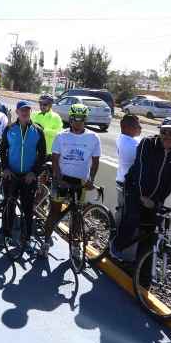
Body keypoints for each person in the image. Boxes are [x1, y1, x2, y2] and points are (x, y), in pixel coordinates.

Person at [111, 118, 171, 262]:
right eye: (164, 132)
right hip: (135, 189)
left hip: (157, 198)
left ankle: (143, 266)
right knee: (132, 219)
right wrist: (142, 197)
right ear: (159, 132)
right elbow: (140, 171)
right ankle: (116, 247)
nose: (168, 136)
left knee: (152, 229)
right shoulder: (148, 143)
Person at [41, 104, 101, 256]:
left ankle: (75, 245)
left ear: (85, 120)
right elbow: (55, 160)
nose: (77, 122)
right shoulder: (61, 136)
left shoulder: (93, 138)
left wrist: (91, 180)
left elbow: (95, 162)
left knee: (77, 214)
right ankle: (46, 242)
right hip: (62, 178)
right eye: (74, 119)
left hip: (80, 181)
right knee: (54, 211)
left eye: (81, 119)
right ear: (70, 118)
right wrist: (59, 178)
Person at [0, 101, 47, 246]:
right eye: (22, 110)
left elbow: (42, 154)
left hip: (28, 177)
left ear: (30, 112)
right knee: (9, 206)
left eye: (27, 110)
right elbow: (2, 150)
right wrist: (5, 168)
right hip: (12, 175)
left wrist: (34, 172)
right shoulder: (9, 129)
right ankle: (7, 235)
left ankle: (26, 238)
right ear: (17, 112)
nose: (25, 113)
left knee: (27, 209)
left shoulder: (38, 130)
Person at [114, 114, 142, 224]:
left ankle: (116, 236)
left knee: (121, 210)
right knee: (126, 215)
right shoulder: (131, 144)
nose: (140, 129)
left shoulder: (122, 138)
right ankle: (117, 237)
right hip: (128, 184)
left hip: (121, 180)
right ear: (126, 128)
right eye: (137, 126)